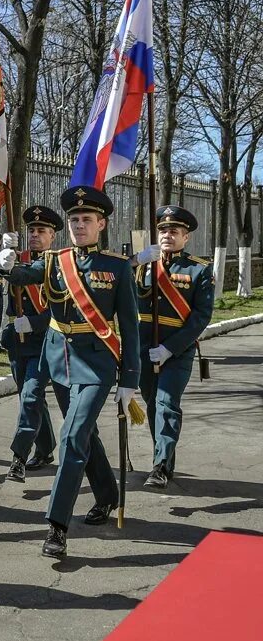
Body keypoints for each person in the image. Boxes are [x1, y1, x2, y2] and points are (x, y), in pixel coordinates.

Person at [0, 185, 141, 559]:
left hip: (96, 363)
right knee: (86, 434)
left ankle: (57, 524)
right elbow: (18, 276)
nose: (79, 225)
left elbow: (130, 326)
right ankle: (107, 496)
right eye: (75, 220)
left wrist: (130, 381)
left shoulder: (117, 266)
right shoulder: (54, 260)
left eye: (86, 220)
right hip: (59, 360)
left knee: (73, 435)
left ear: (101, 224)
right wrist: (4, 259)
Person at [134, 205, 214, 490]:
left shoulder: (199, 269)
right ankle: (164, 457)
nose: (168, 235)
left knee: (167, 404)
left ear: (186, 237)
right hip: (144, 348)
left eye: (174, 231)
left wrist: (170, 348)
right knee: (153, 403)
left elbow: (201, 316)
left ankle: (160, 465)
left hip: (177, 352)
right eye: (163, 230)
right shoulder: (142, 265)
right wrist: (136, 261)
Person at [0, 206, 64, 482]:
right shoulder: (15, 259)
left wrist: (35, 323)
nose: (35, 235)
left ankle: (18, 458)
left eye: (42, 231)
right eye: (31, 230)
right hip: (17, 341)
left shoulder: (59, 264)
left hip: (45, 340)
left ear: (53, 236)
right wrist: (1, 253)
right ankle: (45, 449)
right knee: (29, 398)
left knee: (32, 395)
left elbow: (62, 309)